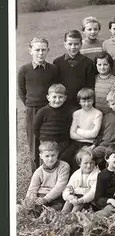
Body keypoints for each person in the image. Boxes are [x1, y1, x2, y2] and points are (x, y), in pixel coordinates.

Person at [18, 36, 58, 171]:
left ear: (48, 51)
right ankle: (36, 176)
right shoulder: (24, 69)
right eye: (37, 50)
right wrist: (31, 105)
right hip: (32, 110)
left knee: (49, 143)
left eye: (43, 50)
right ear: (30, 51)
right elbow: (21, 91)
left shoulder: (53, 69)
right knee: (34, 145)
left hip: (49, 109)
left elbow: (55, 88)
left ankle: (51, 174)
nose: (40, 53)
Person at [53, 30, 95, 108]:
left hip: (81, 104)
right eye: (70, 44)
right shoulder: (57, 62)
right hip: (62, 103)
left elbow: (90, 86)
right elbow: (55, 84)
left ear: (81, 44)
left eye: (76, 44)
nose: (73, 47)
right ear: (65, 44)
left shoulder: (88, 63)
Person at [33, 84, 74, 165]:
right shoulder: (42, 111)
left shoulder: (67, 111)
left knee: (61, 162)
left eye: (60, 97)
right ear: (48, 98)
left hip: (63, 143)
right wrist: (43, 139)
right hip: (47, 143)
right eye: (54, 97)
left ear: (65, 98)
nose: (57, 100)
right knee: (47, 162)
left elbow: (69, 126)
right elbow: (35, 128)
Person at [24, 141, 70, 213]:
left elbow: (60, 186)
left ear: (57, 154)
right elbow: (33, 188)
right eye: (47, 156)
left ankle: (46, 212)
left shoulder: (64, 166)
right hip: (41, 195)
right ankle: (37, 212)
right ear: (41, 156)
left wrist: (46, 199)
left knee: (58, 207)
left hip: (56, 196)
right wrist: (30, 202)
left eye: (53, 155)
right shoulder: (38, 171)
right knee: (34, 209)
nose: (50, 159)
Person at [68, 88, 103, 170]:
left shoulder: (98, 113)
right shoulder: (76, 113)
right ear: (79, 102)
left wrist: (78, 131)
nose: (86, 104)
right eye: (83, 101)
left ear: (93, 100)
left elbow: (94, 134)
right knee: (67, 157)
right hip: (77, 142)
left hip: (90, 144)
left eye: (89, 101)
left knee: (84, 160)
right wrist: (87, 136)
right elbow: (72, 134)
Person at [91, 90, 115, 170]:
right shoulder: (106, 117)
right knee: (89, 155)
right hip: (104, 145)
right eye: (113, 104)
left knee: (105, 161)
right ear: (109, 105)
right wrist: (95, 144)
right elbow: (101, 134)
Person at [62, 146, 99, 213]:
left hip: (88, 200)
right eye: (85, 163)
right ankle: (63, 216)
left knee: (76, 208)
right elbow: (68, 187)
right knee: (67, 204)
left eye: (91, 163)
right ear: (80, 163)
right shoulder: (76, 174)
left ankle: (72, 217)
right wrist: (69, 197)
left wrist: (81, 200)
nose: (89, 166)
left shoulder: (97, 174)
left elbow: (93, 192)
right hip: (76, 197)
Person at [93, 144, 115, 216]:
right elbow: (98, 199)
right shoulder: (102, 175)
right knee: (108, 210)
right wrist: (110, 200)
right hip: (111, 204)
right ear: (107, 158)